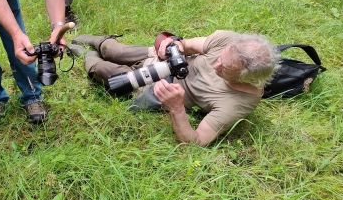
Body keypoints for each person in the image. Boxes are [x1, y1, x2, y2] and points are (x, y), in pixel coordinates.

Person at [70, 31, 280, 146]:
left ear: (245, 79)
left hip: (158, 88)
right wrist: (174, 46)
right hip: (158, 60)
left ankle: (84, 53)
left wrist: (177, 108)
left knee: (103, 70)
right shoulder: (228, 41)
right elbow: (187, 44)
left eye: (224, 68)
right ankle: (92, 40)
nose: (216, 65)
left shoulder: (238, 102)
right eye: (220, 58)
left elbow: (195, 141)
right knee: (112, 49)